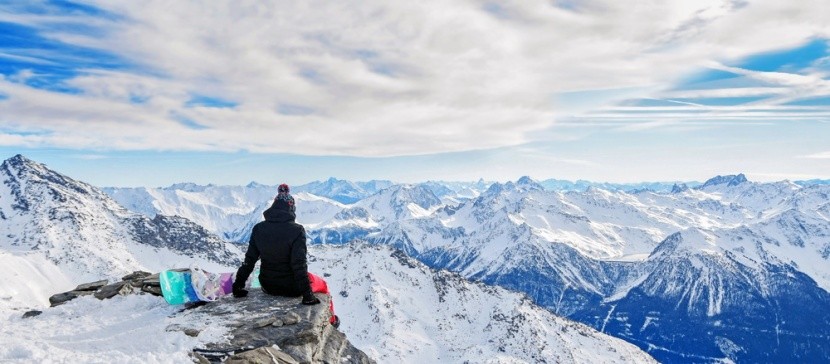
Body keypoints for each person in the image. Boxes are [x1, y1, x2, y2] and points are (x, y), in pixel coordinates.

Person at [232, 183, 339, 327]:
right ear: (291, 208)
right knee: (323, 285)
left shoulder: (258, 229)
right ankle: (332, 321)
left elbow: (249, 261)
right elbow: (299, 264)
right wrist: (307, 296)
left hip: (267, 285)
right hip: (292, 288)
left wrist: (238, 286)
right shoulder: (297, 231)